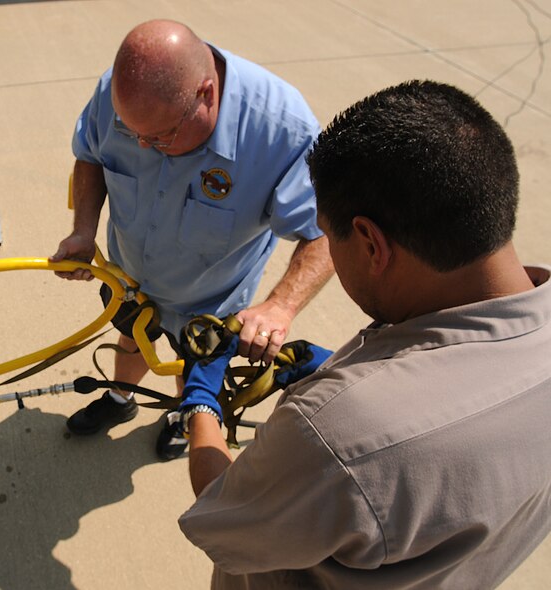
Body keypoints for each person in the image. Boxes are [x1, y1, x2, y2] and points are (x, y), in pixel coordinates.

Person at [177, 80, 551, 588]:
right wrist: (352, 370)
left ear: (372, 244)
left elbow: (223, 508)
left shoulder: (336, 434)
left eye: (330, 239)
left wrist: (201, 403)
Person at [50, 19, 334, 460]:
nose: (142, 144)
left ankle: (185, 415)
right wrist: (83, 230)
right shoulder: (120, 95)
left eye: (160, 136)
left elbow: (326, 233)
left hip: (210, 301)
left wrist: (280, 306)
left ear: (206, 93)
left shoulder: (282, 130)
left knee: (193, 372)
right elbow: (89, 154)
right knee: (132, 339)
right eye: (133, 133)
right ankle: (122, 398)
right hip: (129, 278)